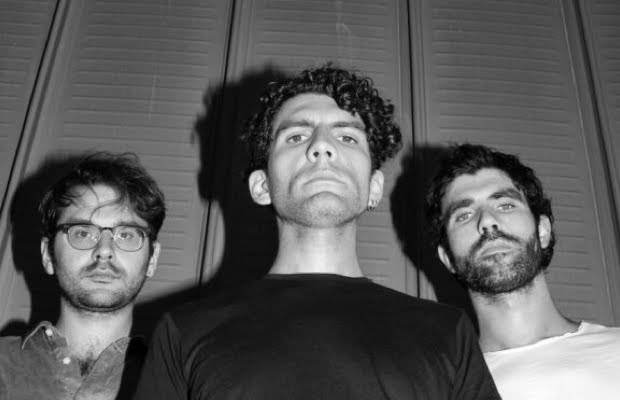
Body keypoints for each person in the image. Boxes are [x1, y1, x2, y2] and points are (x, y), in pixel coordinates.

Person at [133, 65, 500, 400]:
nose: (322, 146)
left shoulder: (448, 333)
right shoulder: (183, 332)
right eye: (296, 137)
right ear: (262, 186)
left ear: (374, 187)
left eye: (347, 138)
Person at [426, 143, 620, 399]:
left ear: (542, 231)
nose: (487, 221)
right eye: (464, 215)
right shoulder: (439, 390)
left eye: (505, 205)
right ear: (447, 258)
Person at [0, 152, 166, 400]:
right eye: (82, 233)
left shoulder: (182, 381)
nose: (105, 251)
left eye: (126, 234)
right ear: (47, 254)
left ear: (152, 259)